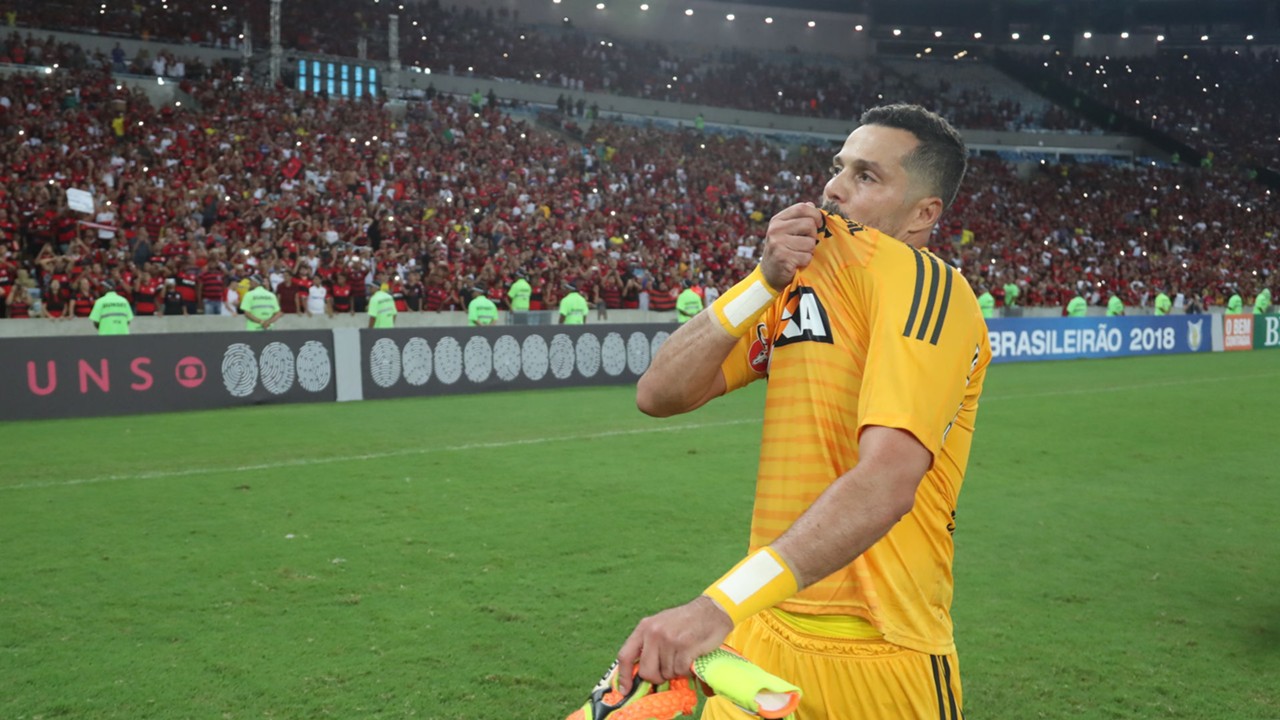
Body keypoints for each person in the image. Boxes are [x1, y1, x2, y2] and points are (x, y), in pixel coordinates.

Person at [615, 104, 989, 719]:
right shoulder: (796, 284)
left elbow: (887, 482)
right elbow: (660, 392)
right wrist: (762, 281)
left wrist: (715, 607)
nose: (834, 188)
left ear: (925, 213)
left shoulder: (930, 289)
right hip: (762, 630)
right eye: (839, 167)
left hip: (877, 655)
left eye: (867, 177)